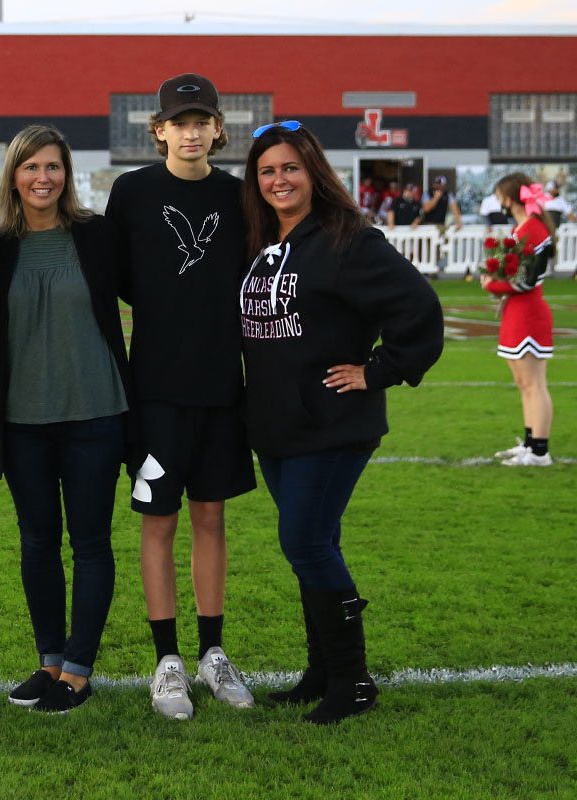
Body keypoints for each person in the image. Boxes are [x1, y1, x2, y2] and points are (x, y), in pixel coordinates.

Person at [240, 120, 443, 724]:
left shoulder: (348, 239)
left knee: (304, 542)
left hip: (332, 423)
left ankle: (353, 684)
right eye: (267, 170)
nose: (279, 179)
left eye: (290, 168)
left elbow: (420, 310)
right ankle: (322, 671)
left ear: (313, 172)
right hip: (275, 424)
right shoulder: (258, 238)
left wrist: (376, 371)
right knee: (314, 547)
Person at [105, 73, 257, 721]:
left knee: (212, 519)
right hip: (157, 393)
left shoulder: (241, 196)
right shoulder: (133, 192)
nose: (191, 132)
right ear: (159, 129)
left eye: (203, 121)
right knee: (158, 524)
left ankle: (213, 652)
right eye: (179, 121)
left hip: (223, 390)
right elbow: (114, 286)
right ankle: (167, 660)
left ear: (218, 129)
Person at [0, 125, 130, 713]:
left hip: (96, 411)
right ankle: (49, 662)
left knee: (90, 542)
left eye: (53, 167)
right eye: (30, 167)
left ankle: (78, 669)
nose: (42, 178)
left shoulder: (96, 235)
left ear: (67, 174)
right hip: (23, 420)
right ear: (13, 175)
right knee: (37, 542)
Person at [482, 174, 556, 467]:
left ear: (510, 198)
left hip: (529, 313)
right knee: (524, 383)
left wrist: (491, 283)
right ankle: (530, 443)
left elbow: (526, 281)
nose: (499, 202)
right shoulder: (522, 228)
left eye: (500, 196)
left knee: (535, 384)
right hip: (516, 313)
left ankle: (540, 451)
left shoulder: (534, 230)